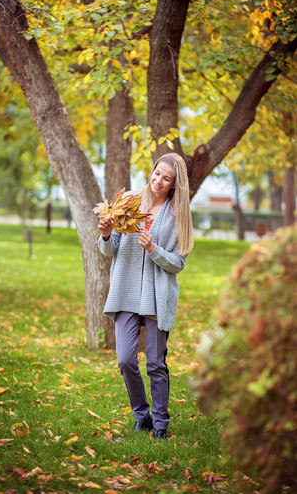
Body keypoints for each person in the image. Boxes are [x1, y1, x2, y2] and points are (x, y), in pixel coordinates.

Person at [97, 153, 194, 440]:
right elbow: (110, 249)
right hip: (126, 291)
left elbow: (178, 263)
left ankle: (161, 425)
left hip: (156, 295)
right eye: (156, 174)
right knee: (126, 359)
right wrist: (105, 235)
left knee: (155, 362)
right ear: (151, 172)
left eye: (166, 178)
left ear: (176, 184)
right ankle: (142, 415)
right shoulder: (130, 202)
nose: (158, 181)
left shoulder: (178, 215)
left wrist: (153, 249)